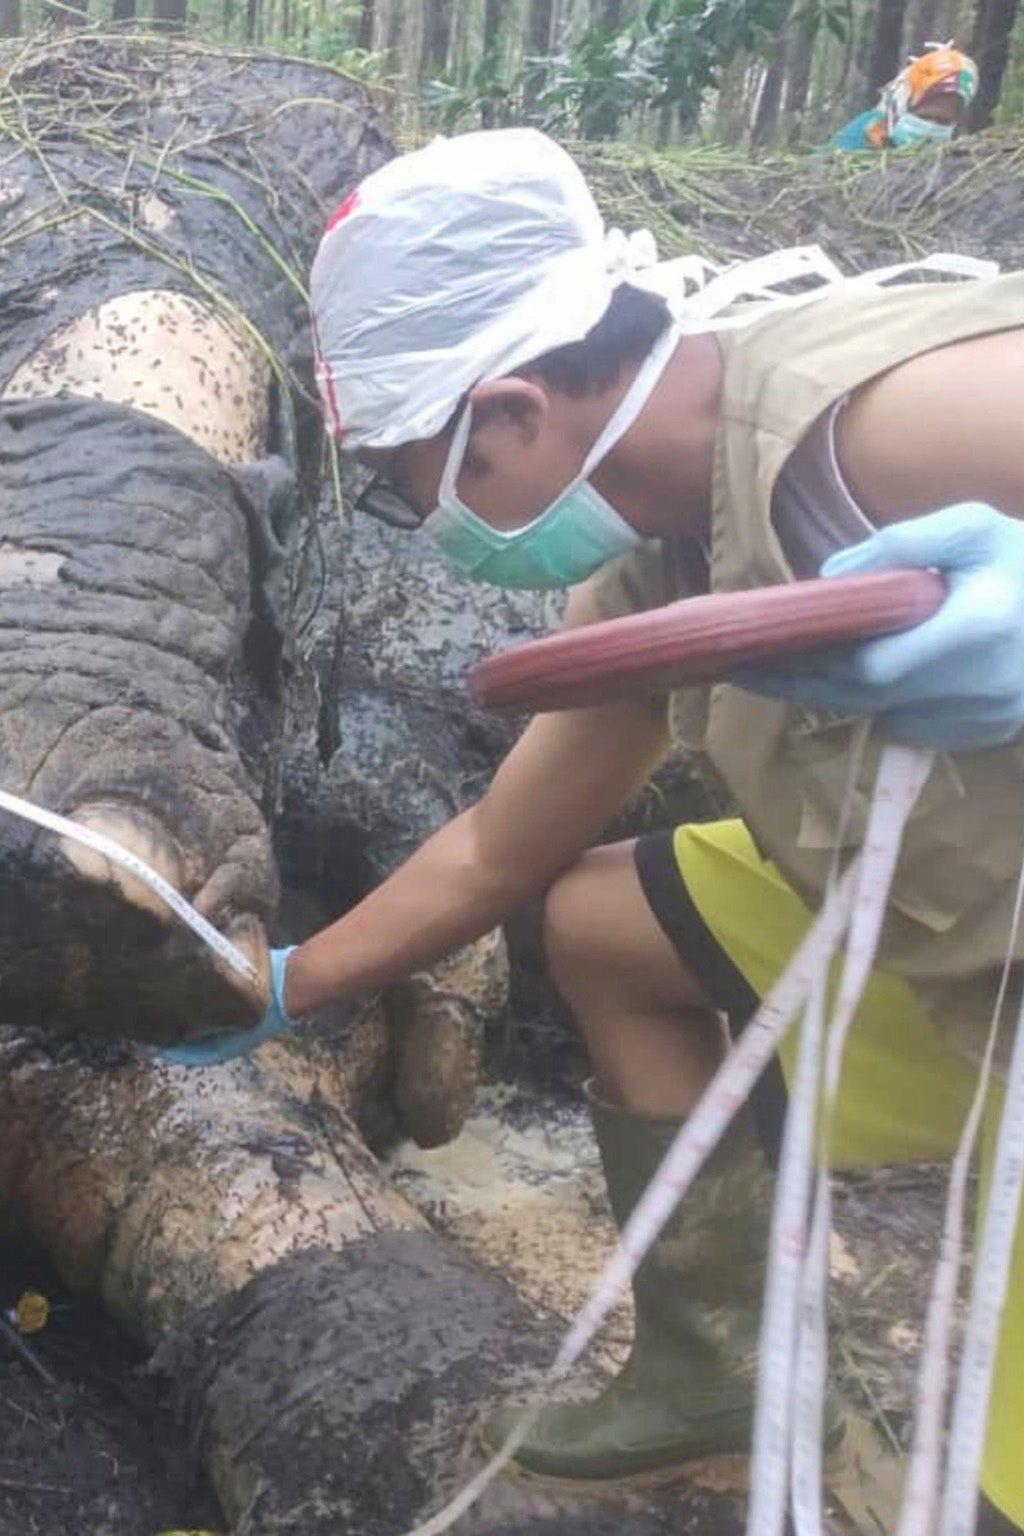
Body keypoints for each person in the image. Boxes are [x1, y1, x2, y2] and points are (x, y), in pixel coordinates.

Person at [256, 130, 1023, 1525]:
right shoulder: (664, 554)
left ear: (509, 413)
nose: (423, 522)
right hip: (950, 915)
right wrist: (272, 990)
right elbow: (501, 850)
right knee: (608, 917)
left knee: (976, 1488)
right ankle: (709, 1366)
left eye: (407, 477)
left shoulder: (886, 425)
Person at [834, 42, 979, 149]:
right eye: (924, 117)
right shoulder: (857, 136)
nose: (930, 127)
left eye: (943, 121)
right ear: (902, 102)